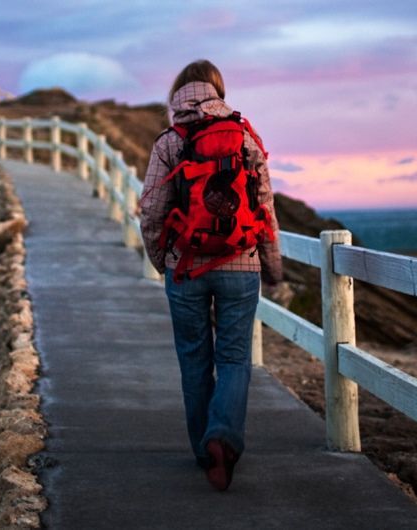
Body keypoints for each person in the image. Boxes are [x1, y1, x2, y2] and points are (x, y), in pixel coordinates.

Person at [139, 59, 283, 491]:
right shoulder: (243, 137)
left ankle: (206, 451)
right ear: (218, 91)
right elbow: (265, 210)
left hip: (185, 266)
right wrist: (272, 267)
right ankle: (224, 435)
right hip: (240, 265)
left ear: (178, 93)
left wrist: (160, 258)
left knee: (194, 359)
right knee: (235, 358)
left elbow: (151, 212)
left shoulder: (169, 141)